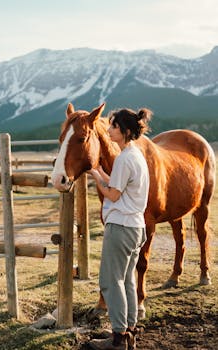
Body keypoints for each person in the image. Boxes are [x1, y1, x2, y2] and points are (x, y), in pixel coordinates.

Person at [87, 107, 152, 350]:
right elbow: (119, 182)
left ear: (124, 131)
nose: (109, 129)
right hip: (136, 227)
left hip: (121, 227)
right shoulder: (135, 155)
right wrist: (102, 172)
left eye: (113, 126)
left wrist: (95, 178)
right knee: (126, 281)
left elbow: (113, 194)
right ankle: (130, 330)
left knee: (109, 280)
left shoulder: (125, 158)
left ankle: (117, 338)